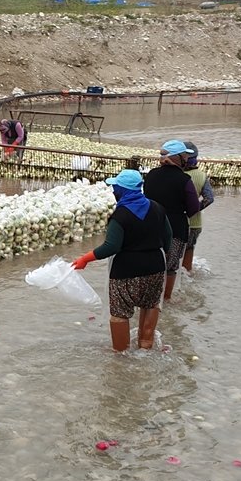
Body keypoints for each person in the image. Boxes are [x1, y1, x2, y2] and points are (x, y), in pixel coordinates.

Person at [73, 169, 172, 352]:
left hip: (126, 272)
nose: (113, 191)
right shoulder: (158, 208)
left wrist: (85, 259)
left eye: (116, 187)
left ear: (123, 190)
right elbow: (168, 238)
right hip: (155, 268)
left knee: (120, 314)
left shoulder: (120, 216)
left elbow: (112, 247)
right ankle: (146, 346)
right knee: (150, 305)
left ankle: (121, 357)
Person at [141, 140, 201, 301]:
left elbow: (146, 199)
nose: (187, 160)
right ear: (179, 158)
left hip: (151, 227)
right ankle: (165, 300)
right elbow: (194, 207)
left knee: (152, 265)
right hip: (176, 228)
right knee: (171, 267)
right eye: (185, 156)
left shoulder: (151, 175)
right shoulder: (184, 180)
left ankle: (148, 300)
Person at [180, 142, 214, 273]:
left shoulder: (176, 175)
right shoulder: (202, 176)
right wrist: (194, 208)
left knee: (174, 251)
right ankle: (187, 273)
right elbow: (209, 198)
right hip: (195, 222)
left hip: (177, 220)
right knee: (189, 248)